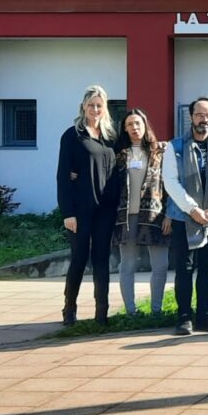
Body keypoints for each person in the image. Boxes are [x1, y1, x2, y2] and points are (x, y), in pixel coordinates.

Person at [163, 97, 208, 335]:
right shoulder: (174, 147)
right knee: (184, 268)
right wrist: (193, 209)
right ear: (191, 117)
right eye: (199, 115)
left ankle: (204, 317)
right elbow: (170, 182)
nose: (204, 119)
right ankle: (184, 318)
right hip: (183, 217)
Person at [57, 85, 119, 326]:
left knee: (102, 259)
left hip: (106, 210)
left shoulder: (110, 137)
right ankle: (69, 309)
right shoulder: (72, 136)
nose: (95, 109)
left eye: (99, 105)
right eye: (91, 105)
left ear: (105, 108)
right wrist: (68, 213)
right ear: (83, 106)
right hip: (80, 210)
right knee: (79, 258)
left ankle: (101, 313)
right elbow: (63, 177)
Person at [112, 109, 171, 316]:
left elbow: (170, 185)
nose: (134, 128)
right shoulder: (118, 155)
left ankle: (156, 311)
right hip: (126, 218)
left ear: (145, 125)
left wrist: (169, 215)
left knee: (161, 264)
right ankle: (131, 312)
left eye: (137, 123)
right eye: (129, 124)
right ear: (124, 129)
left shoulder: (160, 152)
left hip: (155, 216)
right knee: (127, 265)